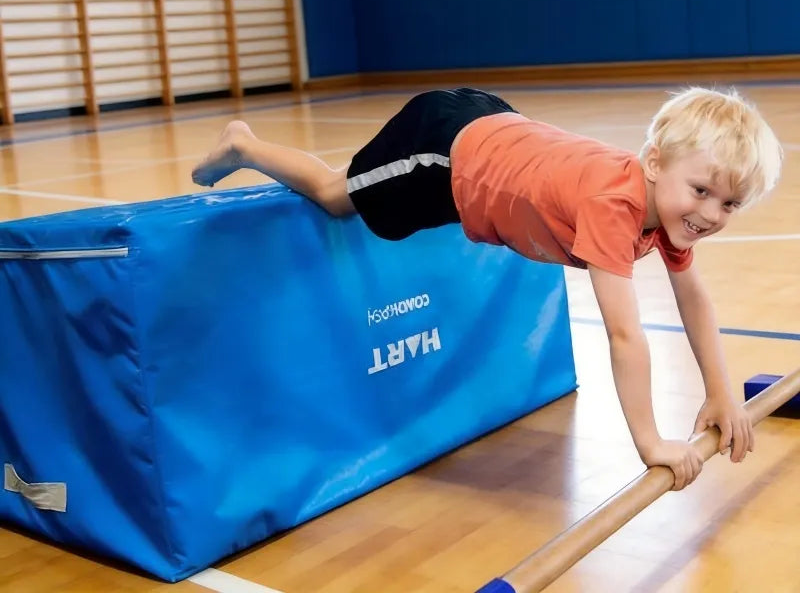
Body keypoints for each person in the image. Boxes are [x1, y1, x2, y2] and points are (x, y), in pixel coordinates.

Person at [192, 86, 783, 491]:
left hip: (493, 126)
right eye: (701, 190)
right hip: (441, 147)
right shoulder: (615, 206)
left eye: (729, 203)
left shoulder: (671, 214)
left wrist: (721, 392)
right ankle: (243, 143)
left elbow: (694, 297)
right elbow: (626, 334)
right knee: (334, 196)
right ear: (653, 164)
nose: (710, 213)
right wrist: (651, 440)